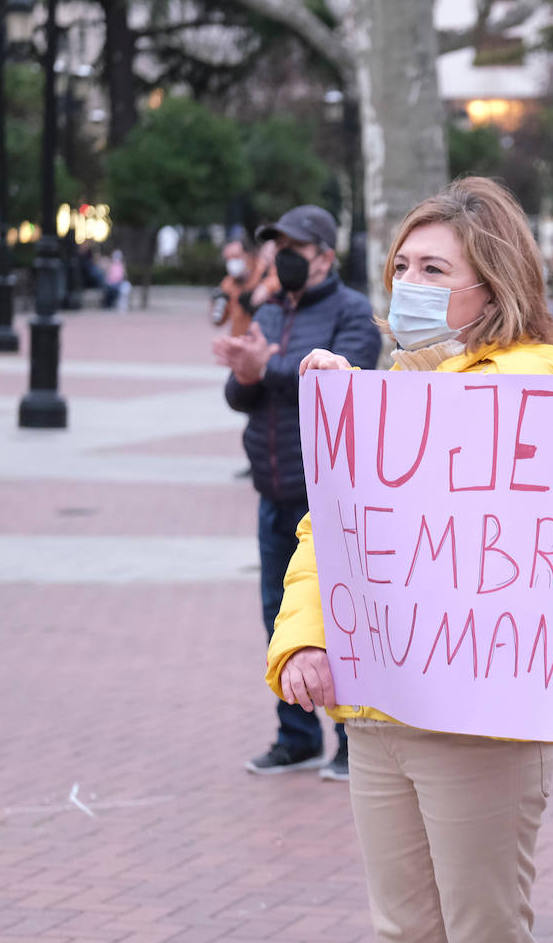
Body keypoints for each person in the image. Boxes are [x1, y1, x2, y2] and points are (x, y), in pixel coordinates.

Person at [268, 177, 553, 943]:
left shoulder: (535, 374)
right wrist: (305, 637)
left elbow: (464, 464)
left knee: (483, 926)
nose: (409, 284)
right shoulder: (400, 385)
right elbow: (332, 531)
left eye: (435, 270)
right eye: (402, 267)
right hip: (378, 708)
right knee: (403, 927)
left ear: (494, 282)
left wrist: (368, 412)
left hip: (477, 718)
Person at [213, 204, 380, 780]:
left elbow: (339, 390)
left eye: (294, 248)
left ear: (326, 257)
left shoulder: (353, 312)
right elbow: (243, 398)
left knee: (337, 618)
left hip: (329, 498)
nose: (281, 259)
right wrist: (246, 373)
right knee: (279, 619)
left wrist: (267, 369)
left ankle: (351, 740)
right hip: (273, 488)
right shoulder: (267, 309)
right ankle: (296, 735)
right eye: (275, 247)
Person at [212, 235, 271, 337]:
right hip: (240, 340)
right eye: (228, 258)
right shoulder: (228, 283)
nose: (231, 262)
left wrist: (265, 288)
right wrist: (216, 306)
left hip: (266, 341)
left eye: (236, 257)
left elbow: (277, 281)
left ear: (248, 255)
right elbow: (219, 321)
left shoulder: (265, 273)